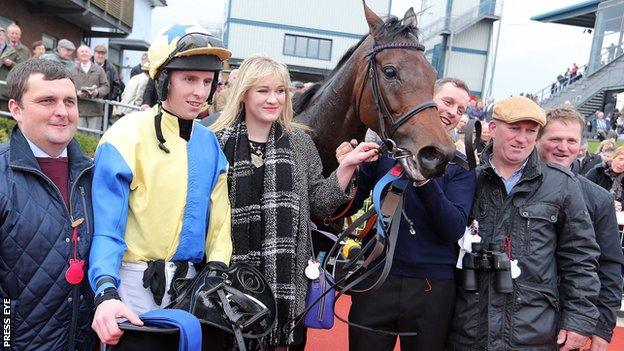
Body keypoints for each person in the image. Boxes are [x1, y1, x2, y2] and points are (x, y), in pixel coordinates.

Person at [211, 54, 379, 349]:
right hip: (226, 285)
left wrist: (346, 167)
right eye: (263, 91)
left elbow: (319, 202)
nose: (273, 99)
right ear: (244, 94)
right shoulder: (216, 141)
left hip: (286, 288)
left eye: (280, 91)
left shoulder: (300, 142)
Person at [88, 24, 233, 346]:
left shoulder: (210, 145)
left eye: (207, 82)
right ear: (165, 79)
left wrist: (217, 267)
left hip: (192, 284)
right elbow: (107, 226)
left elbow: (220, 220)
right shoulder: (125, 135)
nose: (200, 92)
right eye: (189, 79)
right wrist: (106, 287)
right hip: (131, 284)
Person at [447, 96, 601, 351]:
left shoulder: (561, 184)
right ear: (493, 129)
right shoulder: (466, 179)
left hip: (532, 335)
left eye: (531, 131)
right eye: (514, 128)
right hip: (467, 331)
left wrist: (579, 320)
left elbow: (580, 258)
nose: (522, 139)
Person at [336, 76, 475, 351]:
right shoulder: (387, 151)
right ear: (427, 100)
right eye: (447, 102)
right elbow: (346, 206)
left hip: (431, 286)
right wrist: (347, 167)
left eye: (460, 110)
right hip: (377, 276)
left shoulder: (461, 167)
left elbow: (454, 228)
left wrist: (425, 180)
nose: (452, 112)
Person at [0, 58, 95, 350]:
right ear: (16, 109)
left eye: (69, 101)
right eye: (47, 101)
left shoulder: (94, 175)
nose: (62, 112)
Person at [536, 107, 624, 351]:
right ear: (537, 140)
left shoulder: (597, 198)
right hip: (522, 317)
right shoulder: (517, 187)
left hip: (569, 320)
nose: (563, 147)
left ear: (581, 145)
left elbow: (609, 266)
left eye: (571, 140)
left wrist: (602, 326)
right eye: (555, 139)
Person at [70, 45, 109, 130]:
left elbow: (106, 87)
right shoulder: (72, 71)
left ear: (91, 54)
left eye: (86, 51)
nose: (84, 53)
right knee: (79, 138)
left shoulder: (99, 70)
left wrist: (97, 92)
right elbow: (67, 88)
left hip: (95, 111)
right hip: (79, 110)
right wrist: (76, 93)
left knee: (93, 139)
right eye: (81, 51)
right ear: (77, 55)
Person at [0, 24, 31, 109]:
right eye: (12, 33)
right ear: (7, 34)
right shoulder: (2, 46)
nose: (14, 36)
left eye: (16, 34)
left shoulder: (25, 51)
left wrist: (11, 64)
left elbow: (26, 68)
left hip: (11, 87)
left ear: (20, 35)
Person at [586, 145, 624, 211]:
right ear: (614, 157)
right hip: (597, 212)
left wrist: (621, 205)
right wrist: (608, 204)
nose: (622, 164)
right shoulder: (597, 171)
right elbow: (585, 193)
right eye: (620, 159)